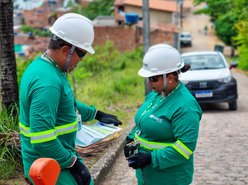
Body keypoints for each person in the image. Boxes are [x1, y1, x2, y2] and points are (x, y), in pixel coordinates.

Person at [19, 13, 122, 185]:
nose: (80, 61)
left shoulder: (48, 69)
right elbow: (42, 138)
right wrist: (73, 164)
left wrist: (95, 113)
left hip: (55, 159)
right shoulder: (47, 82)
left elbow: (66, 103)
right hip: (50, 166)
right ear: (67, 50)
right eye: (81, 55)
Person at [124, 44, 202, 185]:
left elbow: (185, 148)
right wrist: (131, 140)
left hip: (169, 177)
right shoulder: (157, 95)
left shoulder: (185, 106)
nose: (149, 83)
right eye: (148, 78)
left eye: (153, 78)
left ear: (170, 77)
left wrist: (151, 158)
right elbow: (143, 121)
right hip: (148, 175)